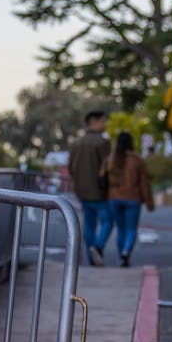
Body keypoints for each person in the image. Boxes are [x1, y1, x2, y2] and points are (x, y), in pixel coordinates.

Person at [103, 131, 155, 267]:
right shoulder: (137, 160)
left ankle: (121, 255)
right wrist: (149, 202)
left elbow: (102, 177)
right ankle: (126, 252)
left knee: (120, 229)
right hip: (133, 198)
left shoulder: (110, 159)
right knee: (131, 229)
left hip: (113, 198)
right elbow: (145, 183)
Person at [68, 110, 112, 266]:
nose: (104, 124)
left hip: (81, 191)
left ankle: (91, 257)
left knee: (89, 225)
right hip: (99, 191)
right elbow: (107, 166)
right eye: (102, 121)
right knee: (107, 221)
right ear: (94, 122)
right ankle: (98, 248)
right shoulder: (102, 142)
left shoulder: (76, 143)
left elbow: (71, 168)